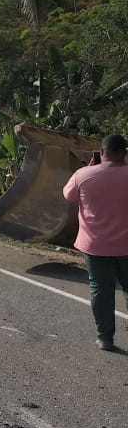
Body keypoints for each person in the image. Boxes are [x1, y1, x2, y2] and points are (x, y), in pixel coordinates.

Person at [62, 133, 128, 351]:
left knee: (101, 289)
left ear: (101, 152)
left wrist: (88, 168)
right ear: (124, 153)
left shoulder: (84, 174)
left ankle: (105, 338)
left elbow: (69, 195)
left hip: (95, 245)